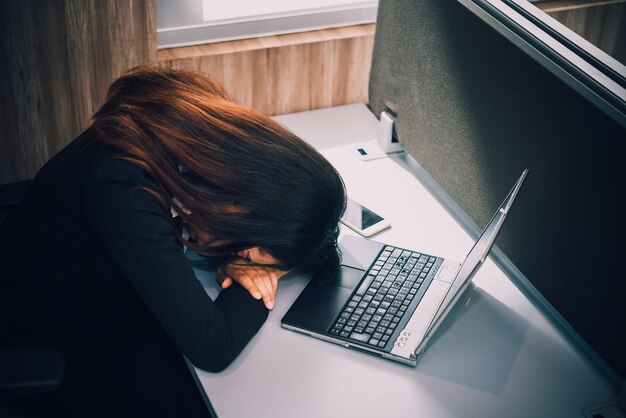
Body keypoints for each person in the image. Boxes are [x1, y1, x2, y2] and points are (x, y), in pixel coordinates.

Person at [0, 66, 346, 417]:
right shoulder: (124, 184)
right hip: (55, 331)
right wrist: (253, 279)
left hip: (109, 285)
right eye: (249, 252)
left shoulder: (199, 139)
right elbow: (213, 347)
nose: (238, 254)